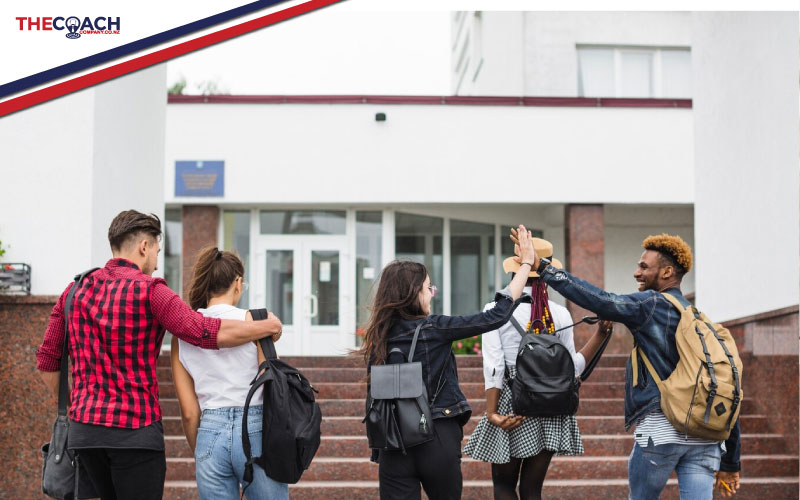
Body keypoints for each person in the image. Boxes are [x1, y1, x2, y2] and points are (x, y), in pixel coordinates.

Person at [36, 210, 283, 500]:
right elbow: (202, 330)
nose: (155, 262)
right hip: (135, 430)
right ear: (144, 247)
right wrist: (266, 325)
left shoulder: (74, 290)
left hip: (85, 434)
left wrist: (79, 405)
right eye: (156, 251)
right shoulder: (151, 290)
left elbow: (47, 361)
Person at [511, 229, 741, 500]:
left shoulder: (651, 304)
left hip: (661, 430)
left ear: (667, 273)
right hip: (707, 438)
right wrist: (731, 462)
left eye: (644, 267)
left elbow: (602, 301)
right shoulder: (701, 320)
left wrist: (542, 267)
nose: (636, 272)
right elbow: (725, 386)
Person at [357, 224, 537, 500]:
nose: (433, 292)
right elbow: (495, 316)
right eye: (429, 287)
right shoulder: (435, 327)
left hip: (392, 442)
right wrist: (525, 264)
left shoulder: (379, 335)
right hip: (437, 434)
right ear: (414, 292)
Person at [464, 238, 614, 500]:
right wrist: (599, 335)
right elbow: (572, 370)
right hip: (551, 404)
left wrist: (492, 412)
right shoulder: (560, 314)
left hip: (513, 403)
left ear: (514, 270)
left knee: (504, 486)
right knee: (533, 489)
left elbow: (495, 367)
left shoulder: (495, 311)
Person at [170, 247, 288, 500]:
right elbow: (270, 386)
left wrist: (200, 449)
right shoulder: (256, 322)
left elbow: (190, 412)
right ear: (237, 282)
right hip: (255, 426)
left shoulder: (183, 334)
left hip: (210, 430)